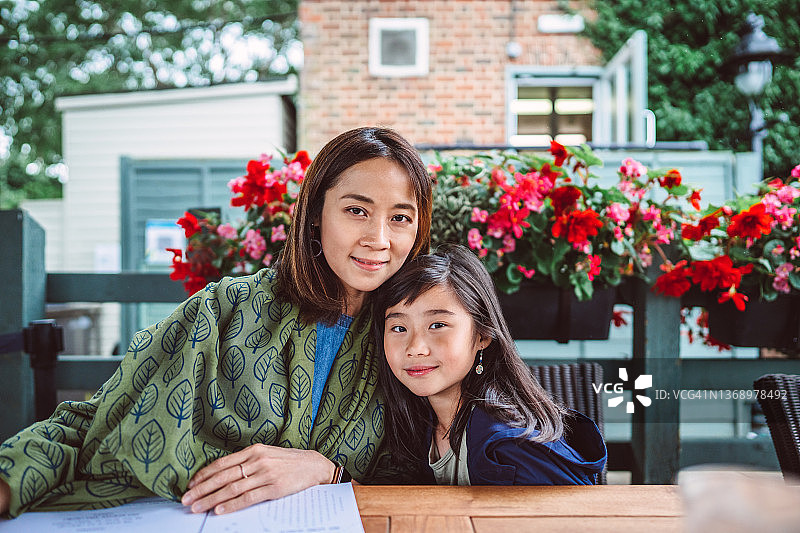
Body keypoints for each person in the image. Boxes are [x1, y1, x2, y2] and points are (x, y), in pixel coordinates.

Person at [0, 126, 433, 518]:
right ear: (316, 213)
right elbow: (98, 422)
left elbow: (433, 478)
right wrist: (9, 481)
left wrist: (328, 472)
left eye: (400, 217)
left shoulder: (411, 341)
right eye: (357, 211)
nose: (378, 238)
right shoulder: (225, 309)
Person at [372, 245, 607, 485]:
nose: (415, 348)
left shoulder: (510, 446)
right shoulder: (419, 423)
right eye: (399, 328)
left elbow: (580, 515)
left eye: (437, 325)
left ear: (482, 336)